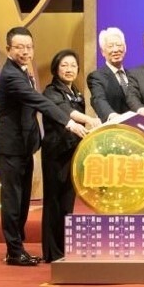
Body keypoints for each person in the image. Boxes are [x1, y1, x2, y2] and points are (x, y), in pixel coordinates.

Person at [0, 26, 86, 267]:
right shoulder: (11, 75)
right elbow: (40, 102)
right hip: (10, 147)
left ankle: (17, 247)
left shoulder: (24, 72)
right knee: (13, 200)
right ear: (8, 49)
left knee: (23, 200)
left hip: (24, 147)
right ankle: (14, 251)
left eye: (28, 47)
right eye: (19, 47)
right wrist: (68, 122)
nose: (25, 51)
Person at [40, 49, 98, 263]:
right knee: (54, 203)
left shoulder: (77, 92)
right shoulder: (51, 91)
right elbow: (66, 112)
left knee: (67, 203)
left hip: (73, 153)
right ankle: (52, 252)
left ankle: (65, 249)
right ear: (56, 68)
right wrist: (89, 119)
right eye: (64, 65)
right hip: (56, 154)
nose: (69, 69)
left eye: (73, 65)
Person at [86, 27, 133, 122]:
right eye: (110, 46)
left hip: (136, 130)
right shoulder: (96, 77)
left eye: (119, 45)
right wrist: (111, 115)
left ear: (125, 48)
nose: (115, 50)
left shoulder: (133, 75)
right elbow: (98, 99)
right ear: (103, 52)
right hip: (113, 128)